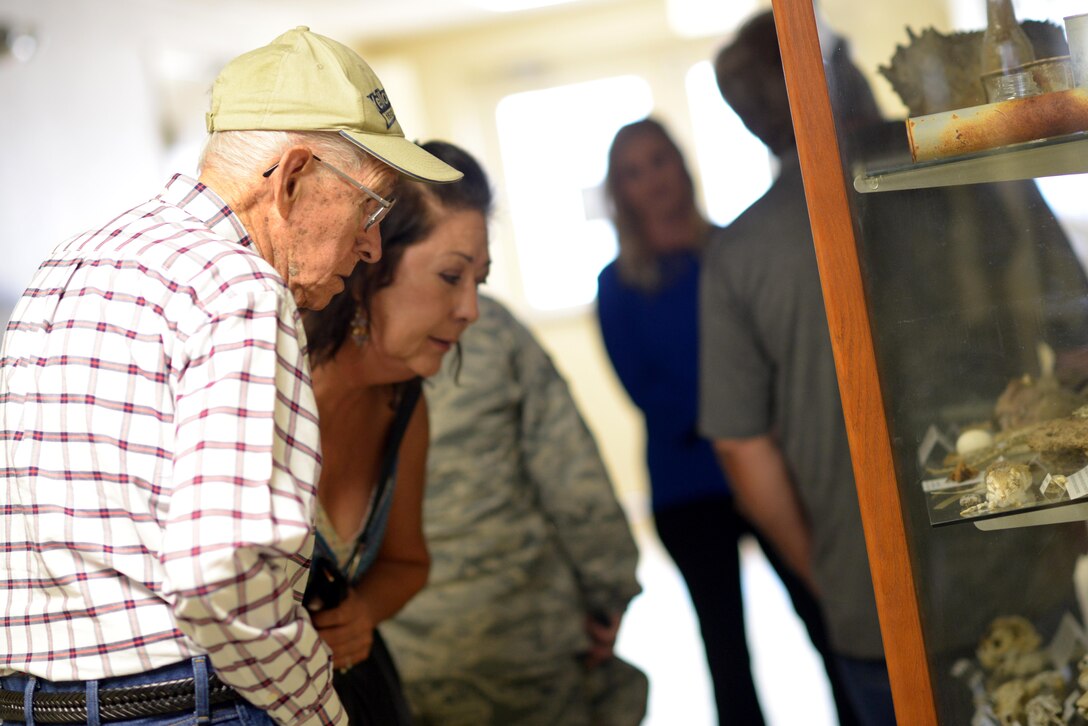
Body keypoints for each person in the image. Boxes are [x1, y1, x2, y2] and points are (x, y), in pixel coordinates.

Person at [0, 26, 461, 726]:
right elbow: (224, 573)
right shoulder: (238, 284)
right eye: (371, 205)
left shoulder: (68, 264)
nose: (371, 245)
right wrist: (317, 707)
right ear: (294, 177)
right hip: (184, 703)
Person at [596, 117, 857, 725]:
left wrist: (743, 405)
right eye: (634, 172)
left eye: (659, 161)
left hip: (773, 473)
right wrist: (745, 401)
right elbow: (653, 397)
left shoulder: (732, 254)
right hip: (689, 490)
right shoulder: (616, 287)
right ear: (621, 191)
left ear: (681, 166)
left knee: (827, 620)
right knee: (727, 654)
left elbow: (781, 361)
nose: (652, 180)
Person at [699, 12, 894, 724]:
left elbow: (742, 450)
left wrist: (833, 575)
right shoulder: (958, 184)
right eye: (839, 57)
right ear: (824, 80)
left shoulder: (737, 256)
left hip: (872, 596)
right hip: (1021, 560)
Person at [382, 293, 647, 726]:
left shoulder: (329, 333)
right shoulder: (488, 327)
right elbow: (572, 477)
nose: (465, 299)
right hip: (528, 641)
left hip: (401, 659)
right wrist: (608, 593)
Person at [301, 140, 491, 725]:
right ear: (372, 265)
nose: (470, 310)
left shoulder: (403, 403)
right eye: (450, 276)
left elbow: (407, 562)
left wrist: (360, 612)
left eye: (478, 282)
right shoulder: (277, 384)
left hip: (361, 697)